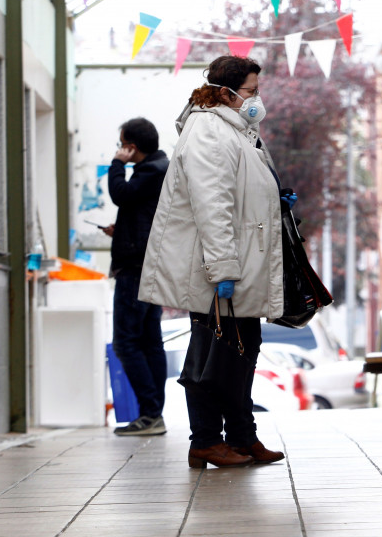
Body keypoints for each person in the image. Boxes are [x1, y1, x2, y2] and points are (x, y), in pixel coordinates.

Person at [139, 55, 292, 468]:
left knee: (242, 351)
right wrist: (223, 271)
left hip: (239, 266)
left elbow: (241, 195)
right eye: (251, 91)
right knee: (213, 355)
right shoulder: (208, 131)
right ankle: (205, 440)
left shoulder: (236, 130)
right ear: (226, 93)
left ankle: (243, 436)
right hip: (218, 271)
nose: (257, 99)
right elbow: (213, 205)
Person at [104, 117, 170, 436]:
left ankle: (150, 413)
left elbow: (121, 195)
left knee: (126, 343)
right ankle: (153, 413)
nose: (120, 151)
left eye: (122, 145)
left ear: (132, 146)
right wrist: (122, 230)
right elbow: (142, 212)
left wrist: (116, 165)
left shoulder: (150, 171)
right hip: (151, 265)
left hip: (135, 268)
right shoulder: (160, 169)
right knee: (149, 341)